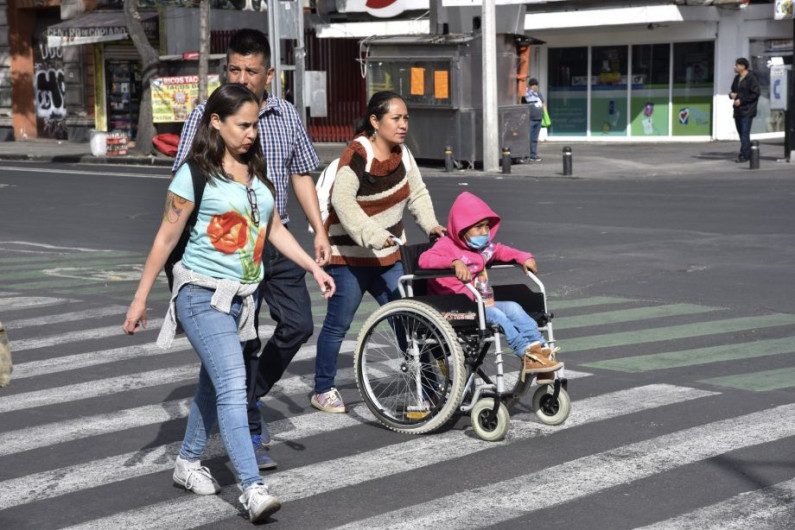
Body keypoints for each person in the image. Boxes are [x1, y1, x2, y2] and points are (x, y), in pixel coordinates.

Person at [123, 84, 335, 523]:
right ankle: (253, 488)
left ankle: (187, 463)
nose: (252, 132)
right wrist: (141, 298)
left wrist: (313, 268)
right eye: (243, 124)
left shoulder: (255, 172)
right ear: (216, 123)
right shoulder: (193, 174)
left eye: (255, 123)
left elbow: (274, 229)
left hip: (241, 300)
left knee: (212, 385)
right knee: (234, 387)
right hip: (200, 296)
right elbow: (165, 238)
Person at [173, 29, 329, 469]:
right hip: (230, 248)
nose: (243, 76)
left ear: (269, 75)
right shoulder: (210, 116)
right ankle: (253, 434)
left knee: (298, 324)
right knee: (245, 342)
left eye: (251, 71)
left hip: (277, 241)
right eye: (235, 69)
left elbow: (301, 174)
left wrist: (319, 230)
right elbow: (186, 181)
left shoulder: (284, 117)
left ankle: (244, 392)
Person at [311, 90, 447, 413]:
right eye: (396, 118)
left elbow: (417, 194)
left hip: (388, 257)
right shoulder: (357, 156)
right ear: (375, 121)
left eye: (406, 119)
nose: (403, 125)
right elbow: (342, 203)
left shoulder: (404, 155)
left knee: (409, 320)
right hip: (350, 257)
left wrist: (432, 226)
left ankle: (428, 388)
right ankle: (323, 388)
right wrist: (373, 235)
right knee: (338, 324)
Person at [418, 191, 563, 383]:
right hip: (454, 307)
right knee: (498, 316)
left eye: (486, 226)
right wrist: (453, 262)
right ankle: (524, 354)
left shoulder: (481, 249)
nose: (485, 232)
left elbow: (501, 250)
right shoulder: (446, 245)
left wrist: (524, 257)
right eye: (478, 227)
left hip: (479, 303)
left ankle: (541, 351)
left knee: (513, 307)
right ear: (461, 229)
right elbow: (424, 260)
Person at [729, 57, 760, 163]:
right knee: (741, 132)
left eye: (736, 65)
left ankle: (745, 155)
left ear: (743, 66)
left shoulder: (751, 78)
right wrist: (731, 95)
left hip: (747, 110)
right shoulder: (736, 78)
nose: (735, 67)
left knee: (744, 133)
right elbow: (733, 91)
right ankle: (749, 150)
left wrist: (741, 100)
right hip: (738, 110)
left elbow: (755, 94)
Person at [523, 78, 546, 163]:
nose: (535, 87)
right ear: (530, 86)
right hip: (530, 120)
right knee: (528, 138)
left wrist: (546, 115)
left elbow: (543, 104)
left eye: (536, 85)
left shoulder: (539, 94)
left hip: (538, 119)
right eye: (533, 85)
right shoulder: (527, 94)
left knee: (534, 139)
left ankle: (533, 155)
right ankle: (525, 155)